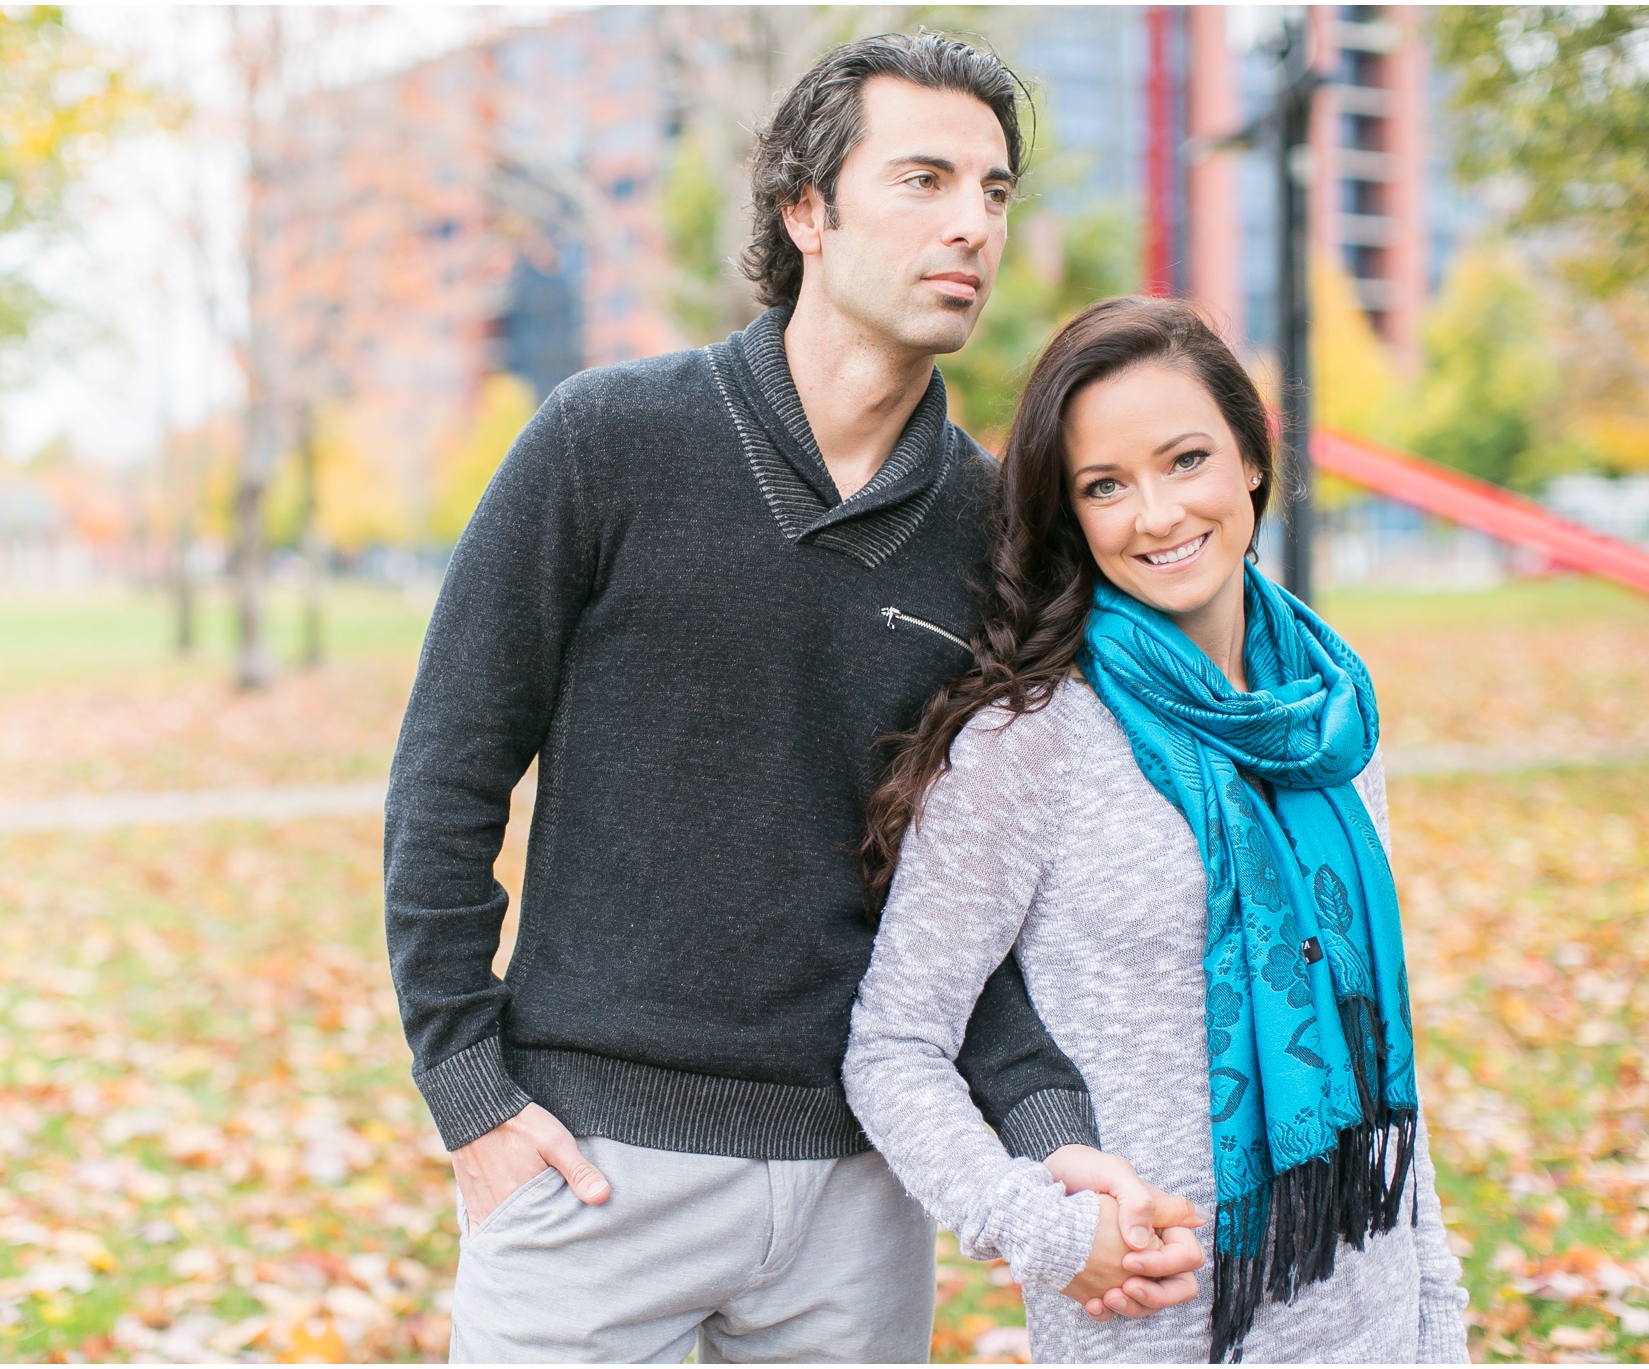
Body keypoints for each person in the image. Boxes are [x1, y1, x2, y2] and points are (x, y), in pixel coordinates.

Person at [385, 34, 1203, 1365]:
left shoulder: (998, 534)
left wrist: (1053, 1137)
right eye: (924, 180)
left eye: (993, 193)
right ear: (804, 210)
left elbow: (978, 903)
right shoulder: (607, 442)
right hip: (592, 1175)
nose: (970, 226)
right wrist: (468, 1090)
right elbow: (446, 777)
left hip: (861, 1195)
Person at [844, 295, 1472, 1363]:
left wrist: (1435, 1313)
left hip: (1367, 1319)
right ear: (1071, 516)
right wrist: (1038, 1228)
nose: (1155, 514)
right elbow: (891, 1048)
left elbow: (1367, 1041)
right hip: (1156, 1326)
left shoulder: (1328, 719)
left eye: (1184, 460)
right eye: (1104, 486)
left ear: (1251, 460)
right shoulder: (1031, 741)